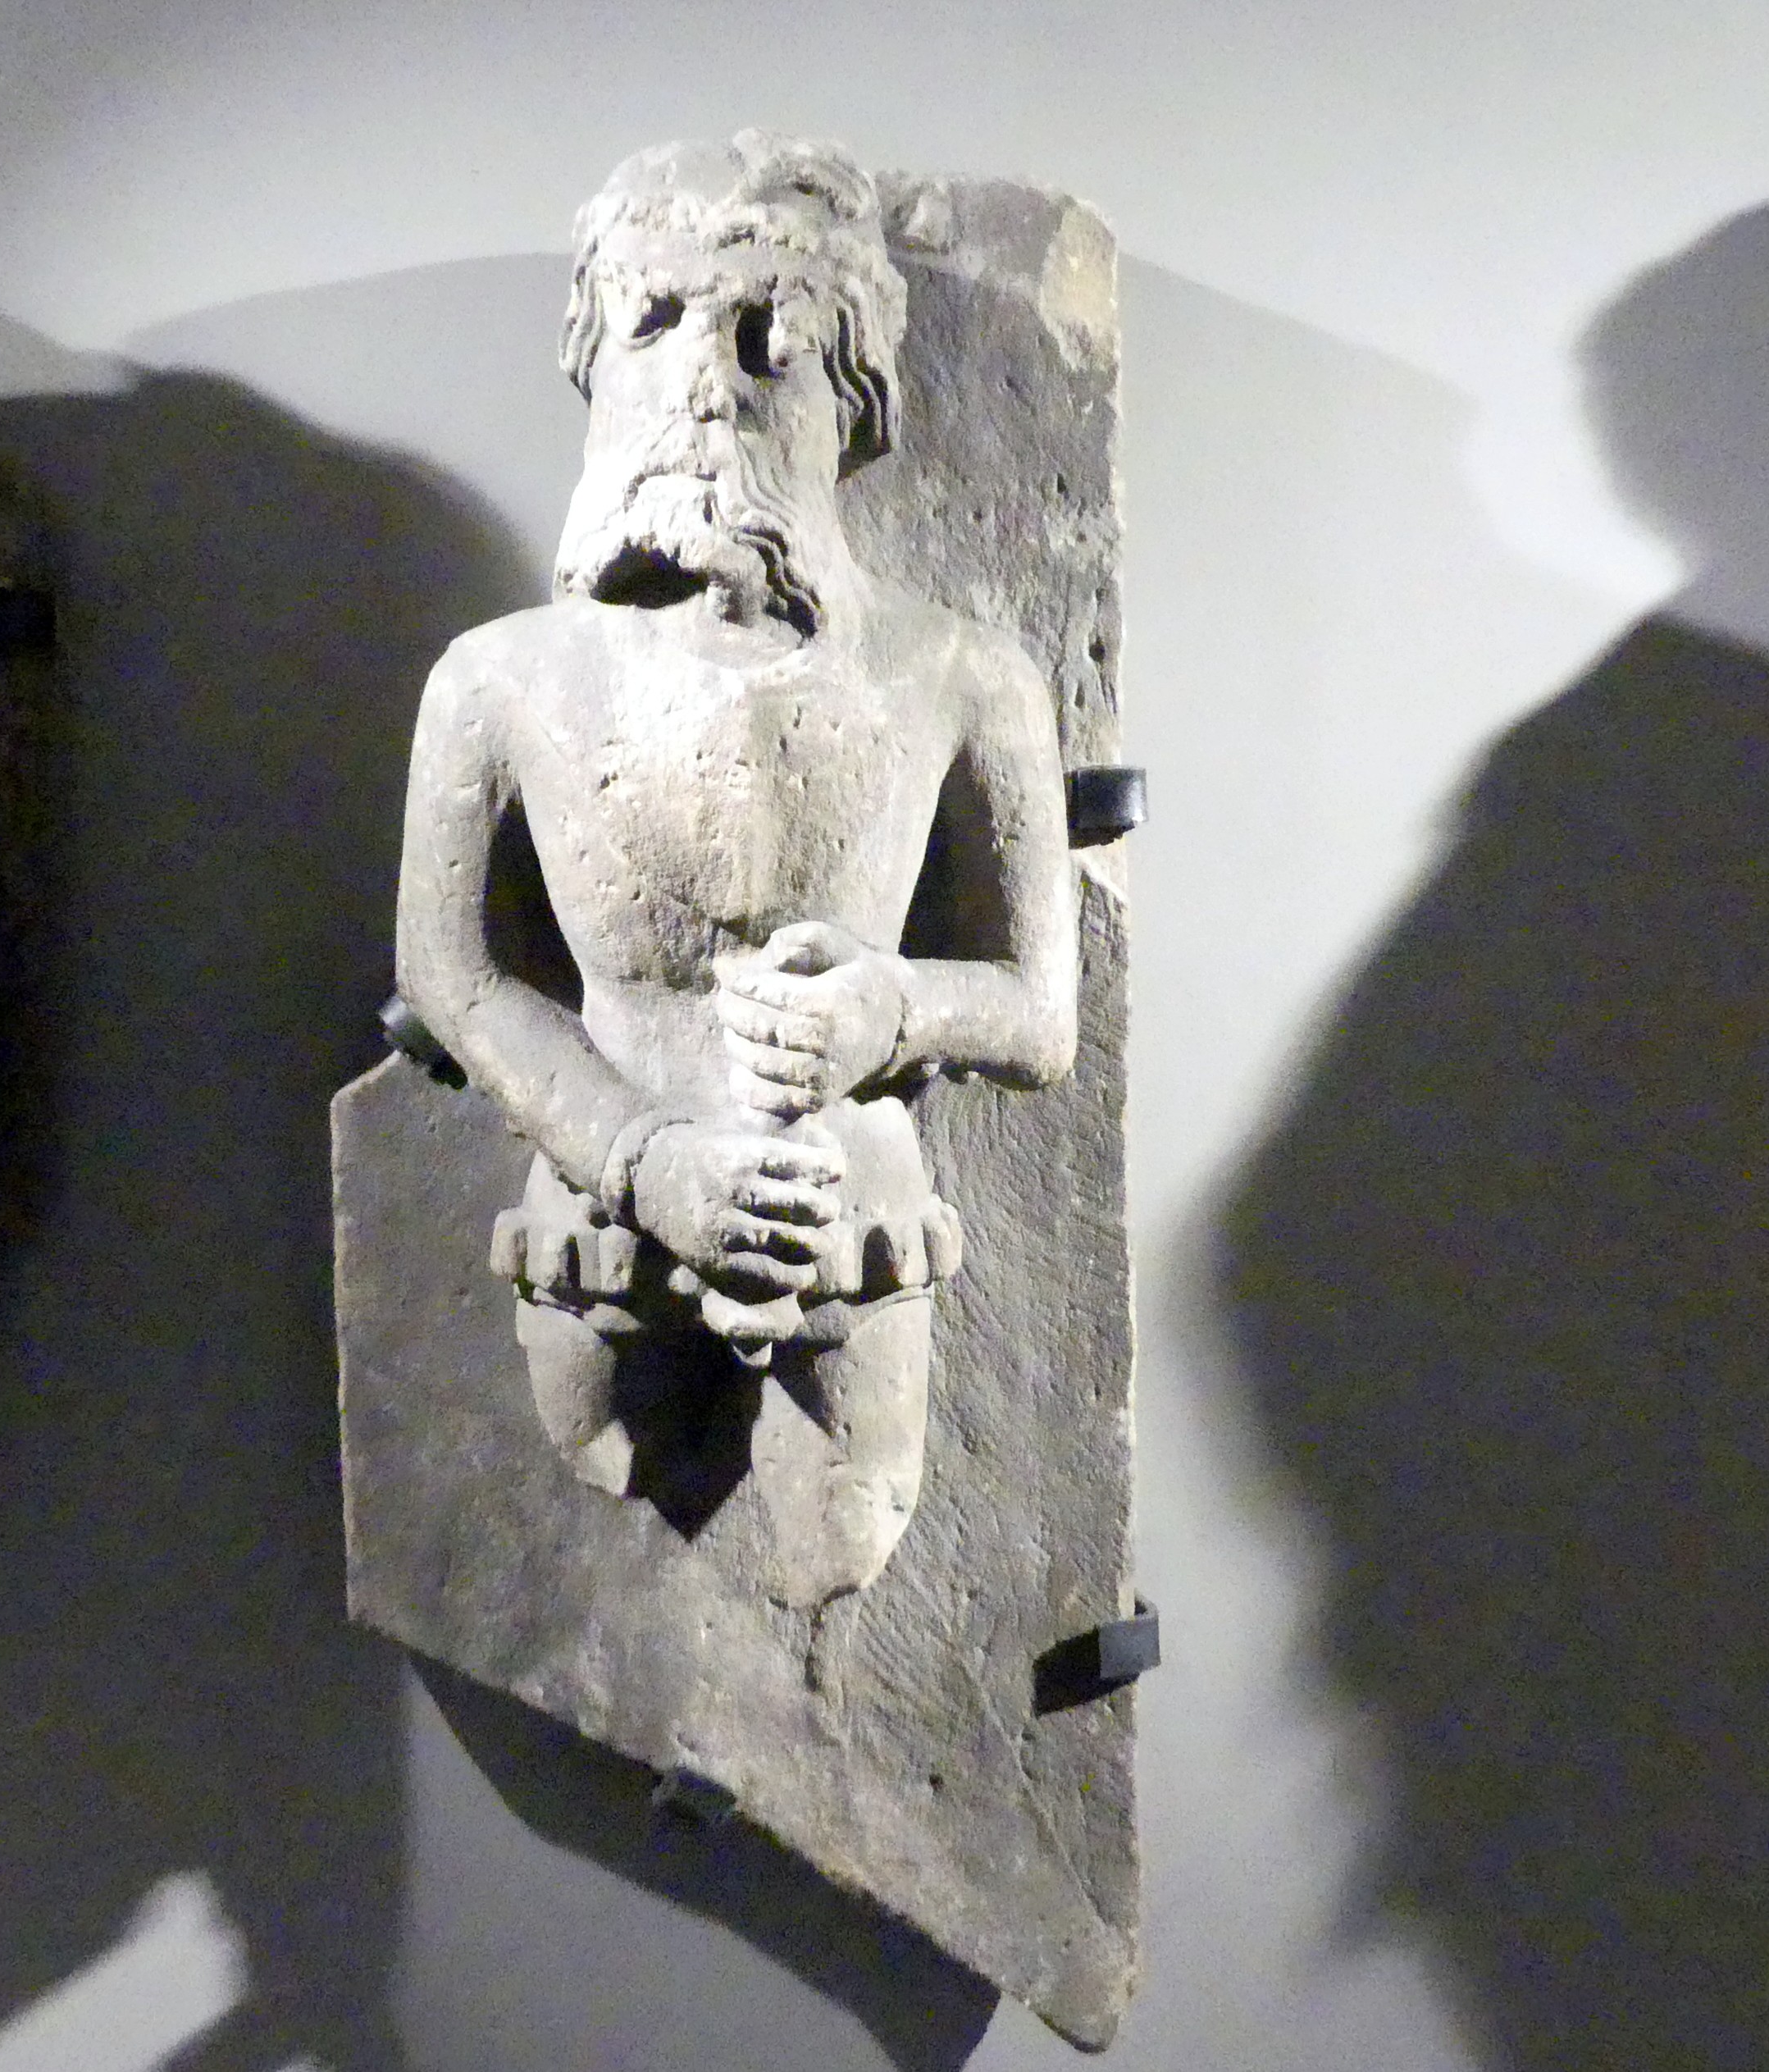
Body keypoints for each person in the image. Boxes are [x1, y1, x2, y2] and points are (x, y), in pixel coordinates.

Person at [395, 133, 1076, 1607]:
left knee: (839, 1553)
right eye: (656, 322)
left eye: (771, 334)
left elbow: (1041, 1012)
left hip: (847, 1223)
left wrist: (890, 1010)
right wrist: (649, 1160)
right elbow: (449, 971)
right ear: (595, 363)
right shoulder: (501, 682)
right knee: (609, 1501)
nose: (708, 380)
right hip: (604, 1210)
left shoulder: (965, 677)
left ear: (857, 396)